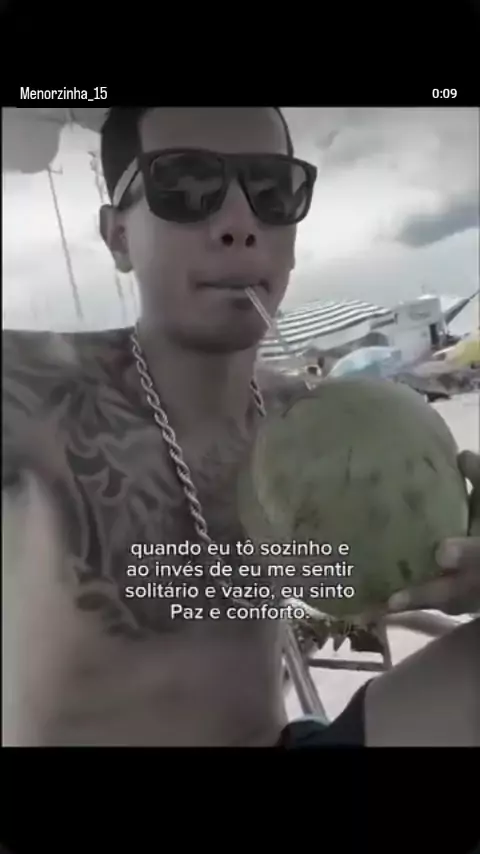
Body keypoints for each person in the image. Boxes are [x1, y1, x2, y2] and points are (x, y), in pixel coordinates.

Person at [3, 107, 480, 747]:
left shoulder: (322, 427)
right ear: (117, 236)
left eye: (272, 190)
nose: (239, 225)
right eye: (184, 184)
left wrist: (451, 568)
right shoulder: (30, 390)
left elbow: (353, 584)